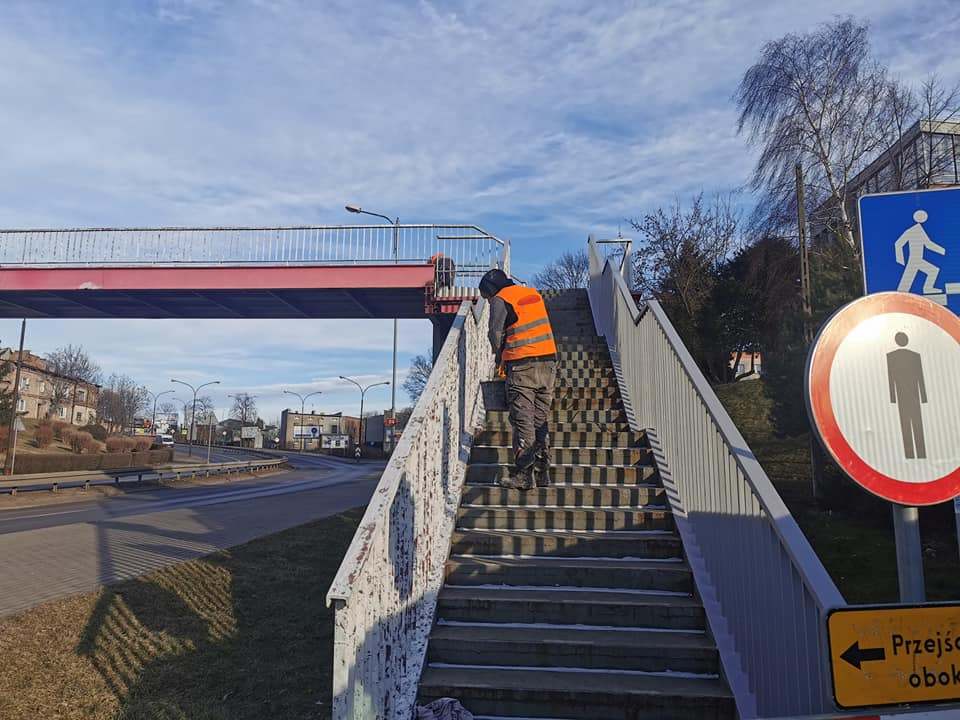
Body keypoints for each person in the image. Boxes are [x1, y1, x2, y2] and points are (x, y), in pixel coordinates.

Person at [478, 268, 557, 490]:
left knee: (523, 421)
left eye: (487, 296)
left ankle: (523, 475)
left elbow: (494, 332)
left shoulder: (500, 299)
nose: (489, 300)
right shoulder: (531, 293)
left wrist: (499, 356)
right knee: (539, 420)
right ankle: (543, 474)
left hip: (522, 366)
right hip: (549, 363)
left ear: (490, 290)